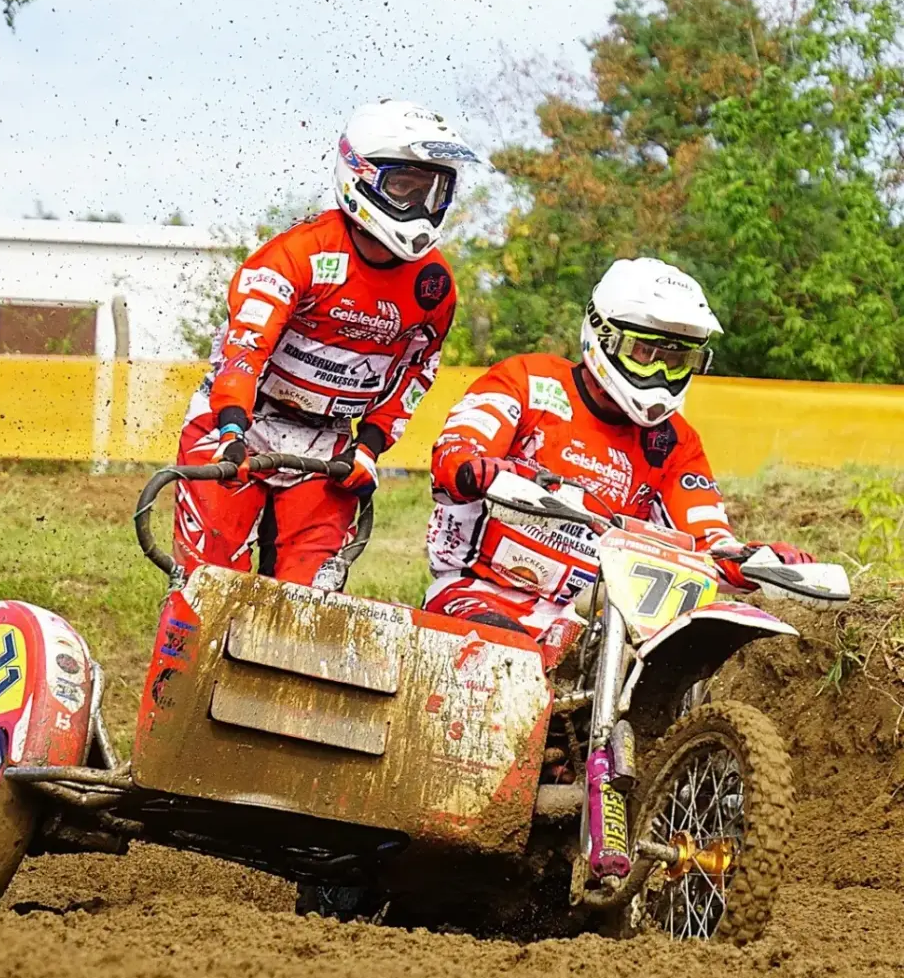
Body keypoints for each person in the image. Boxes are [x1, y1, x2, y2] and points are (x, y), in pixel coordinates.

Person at [423, 257, 814, 642]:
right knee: (506, 652)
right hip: (477, 593)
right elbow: (458, 449)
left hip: (584, 619)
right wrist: (474, 468)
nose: (660, 373)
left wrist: (760, 561)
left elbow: (708, 543)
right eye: (646, 354)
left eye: (677, 361)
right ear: (605, 336)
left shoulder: (674, 443)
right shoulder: (529, 381)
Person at [174, 99, 485, 584]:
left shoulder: (434, 286)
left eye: (432, 191)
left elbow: (418, 372)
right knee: (207, 584)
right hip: (239, 424)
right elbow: (245, 348)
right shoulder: (297, 255)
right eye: (404, 187)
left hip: (330, 442)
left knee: (311, 600)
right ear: (360, 174)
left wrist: (370, 446)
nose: (419, 207)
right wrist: (231, 427)